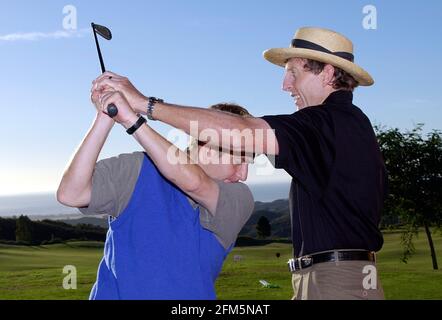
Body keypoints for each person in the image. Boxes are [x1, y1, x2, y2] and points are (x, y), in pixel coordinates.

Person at [93, 27, 387, 300]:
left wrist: (145, 105)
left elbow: (241, 132)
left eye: (293, 73)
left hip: (337, 280)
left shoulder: (326, 124)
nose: (285, 86)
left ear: (327, 73)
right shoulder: (341, 129)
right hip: (332, 277)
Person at [56, 86, 255, 300]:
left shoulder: (240, 198)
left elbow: (195, 183)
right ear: (207, 148)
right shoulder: (138, 168)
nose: (243, 174)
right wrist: (106, 116)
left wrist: (131, 120)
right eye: (239, 160)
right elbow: (71, 194)